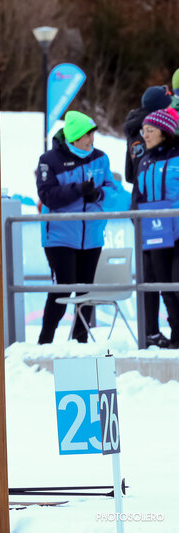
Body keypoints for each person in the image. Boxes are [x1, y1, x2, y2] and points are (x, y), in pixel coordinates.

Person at [36, 110, 115, 344]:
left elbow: (114, 191)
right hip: (59, 237)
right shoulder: (49, 160)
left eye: (92, 134)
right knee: (63, 287)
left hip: (92, 235)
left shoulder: (101, 157)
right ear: (74, 138)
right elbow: (47, 196)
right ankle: (45, 340)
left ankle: (81, 340)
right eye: (87, 135)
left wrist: (98, 194)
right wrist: (78, 190)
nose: (92, 139)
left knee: (86, 290)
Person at [123, 86, 174, 347]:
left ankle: (153, 331)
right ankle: (155, 332)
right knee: (159, 277)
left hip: (146, 210)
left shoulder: (135, 128)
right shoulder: (149, 132)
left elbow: (128, 175)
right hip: (154, 211)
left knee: (156, 278)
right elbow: (136, 173)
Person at [134, 108, 179, 348]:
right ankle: (177, 336)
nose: (145, 135)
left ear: (164, 131)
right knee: (165, 288)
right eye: (144, 131)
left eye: (150, 130)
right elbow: (138, 196)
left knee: (176, 283)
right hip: (157, 234)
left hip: (178, 232)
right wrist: (139, 220)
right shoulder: (144, 161)